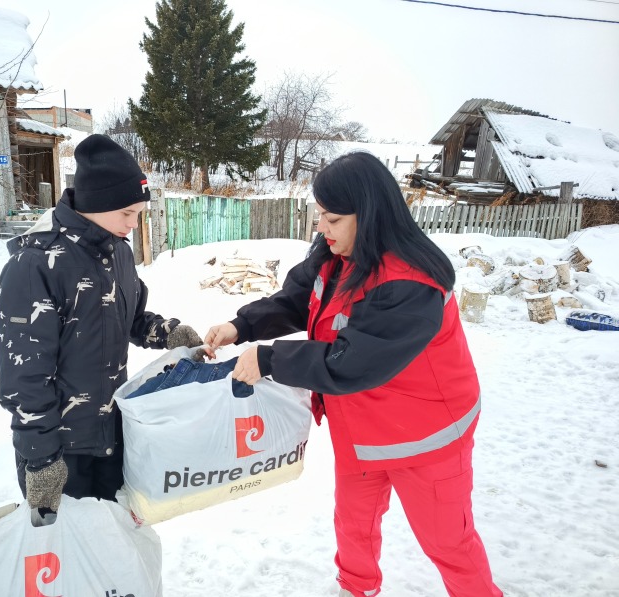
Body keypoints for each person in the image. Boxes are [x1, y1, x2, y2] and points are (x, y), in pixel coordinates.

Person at [205, 151, 502, 597]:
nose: (321, 228)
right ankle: (355, 589)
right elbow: (298, 300)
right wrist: (241, 325)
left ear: (370, 214)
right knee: (354, 525)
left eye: (333, 219)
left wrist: (270, 360)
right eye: (320, 216)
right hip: (361, 429)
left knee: (447, 542)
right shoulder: (335, 254)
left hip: (426, 437)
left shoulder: (410, 283)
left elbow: (353, 361)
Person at [0, 134, 204, 518]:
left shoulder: (117, 252)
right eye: (126, 213)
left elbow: (130, 316)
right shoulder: (36, 264)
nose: (133, 224)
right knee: (62, 551)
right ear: (96, 202)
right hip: (61, 453)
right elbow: (23, 377)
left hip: (110, 437)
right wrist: (41, 460)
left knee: (112, 541)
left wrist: (167, 333)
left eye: (139, 213)